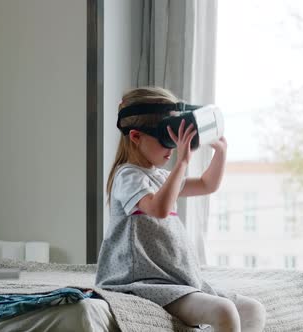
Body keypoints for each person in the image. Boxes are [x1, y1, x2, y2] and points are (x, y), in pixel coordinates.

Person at [95, 87, 266, 332]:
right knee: (224, 311)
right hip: (143, 282)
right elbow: (159, 208)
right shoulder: (128, 176)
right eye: (167, 139)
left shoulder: (162, 177)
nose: (174, 147)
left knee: (252, 309)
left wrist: (220, 152)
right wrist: (183, 162)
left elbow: (207, 185)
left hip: (176, 280)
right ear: (135, 136)